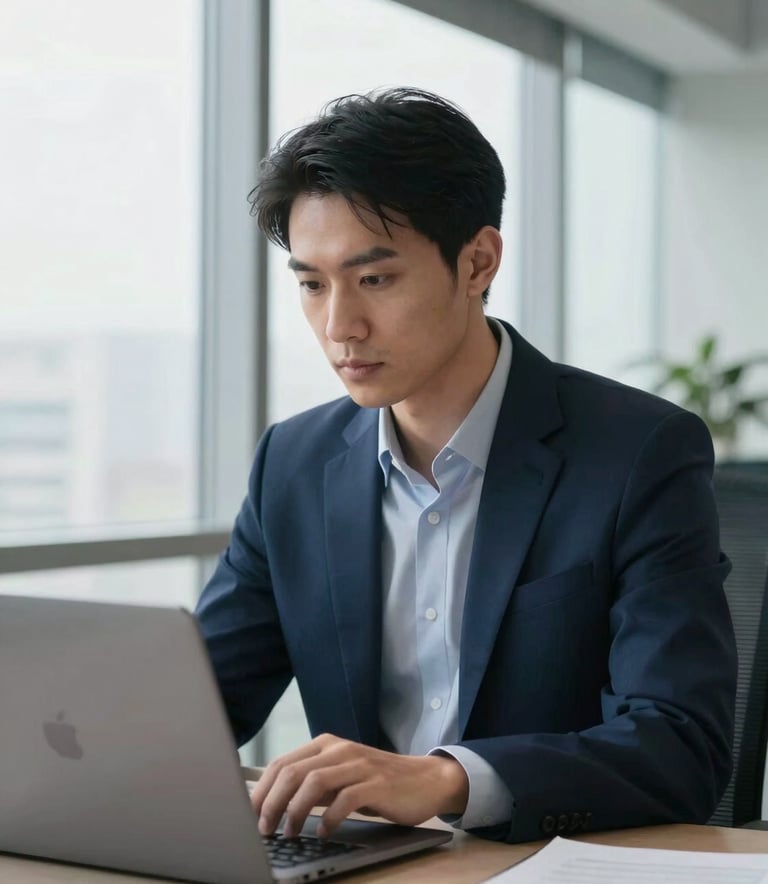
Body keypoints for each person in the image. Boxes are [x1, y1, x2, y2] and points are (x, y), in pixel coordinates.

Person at [195, 87, 736, 845]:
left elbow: (683, 744)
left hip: (542, 861)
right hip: (364, 867)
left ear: (477, 261)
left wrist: (446, 779)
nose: (339, 326)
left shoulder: (637, 453)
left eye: (375, 279)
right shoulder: (293, 462)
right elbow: (192, 710)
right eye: (313, 284)